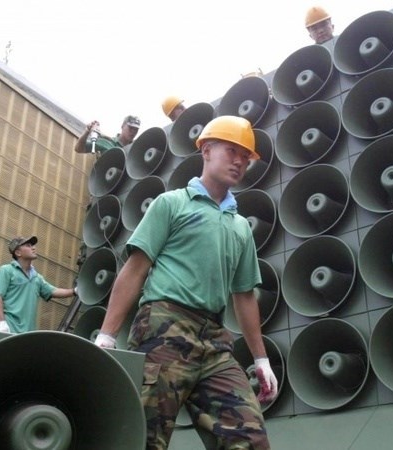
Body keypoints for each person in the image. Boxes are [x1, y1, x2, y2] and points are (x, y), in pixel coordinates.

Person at [94, 115, 278, 449]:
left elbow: (245, 296)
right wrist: (107, 334)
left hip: (215, 341)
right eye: (231, 150)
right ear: (206, 150)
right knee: (144, 438)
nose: (239, 160)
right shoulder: (172, 204)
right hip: (164, 327)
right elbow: (136, 269)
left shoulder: (240, 228)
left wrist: (261, 359)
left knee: (250, 439)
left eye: (246, 156)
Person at [0, 236, 76, 334]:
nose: (33, 248)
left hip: (25, 334)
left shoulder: (37, 278)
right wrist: (1, 323)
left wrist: (75, 291)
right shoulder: (6, 270)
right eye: (28, 245)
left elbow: (53, 291)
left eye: (33, 245)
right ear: (18, 252)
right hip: (7, 329)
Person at [73, 114, 141, 154]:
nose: (133, 132)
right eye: (131, 128)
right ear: (122, 126)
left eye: (136, 130)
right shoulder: (106, 142)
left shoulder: (134, 151)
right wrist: (87, 131)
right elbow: (79, 149)